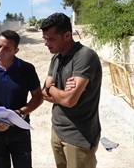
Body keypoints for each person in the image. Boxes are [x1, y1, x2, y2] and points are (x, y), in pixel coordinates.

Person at [40, 12, 102, 168]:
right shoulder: (56, 58)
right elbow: (44, 93)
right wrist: (55, 90)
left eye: (51, 39)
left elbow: (68, 100)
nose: (46, 44)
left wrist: (52, 88)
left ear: (67, 35)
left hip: (79, 137)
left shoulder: (85, 56)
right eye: (45, 39)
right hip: (57, 130)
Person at [0, 30, 43, 168]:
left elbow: (38, 97)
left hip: (20, 131)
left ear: (16, 50)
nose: (1, 51)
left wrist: (20, 113)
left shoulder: (27, 69)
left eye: (7, 48)